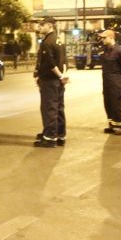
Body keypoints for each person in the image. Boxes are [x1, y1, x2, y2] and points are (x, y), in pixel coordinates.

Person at [33, 16, 68, 148]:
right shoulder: (59, 40)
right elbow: (64, 61)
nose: (40, 27)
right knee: (59, 108)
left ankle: (49, 138)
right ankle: (60, 135)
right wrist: (63, 76)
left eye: (42, 25)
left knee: (49, 109)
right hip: (58, 81)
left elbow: (50, 63)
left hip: (49, 80)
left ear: (50, 26)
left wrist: (59, 76)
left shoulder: (47, 42)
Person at [99, 29, 121, 135]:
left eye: (104, 38)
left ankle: (119, 126)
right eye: (101, 38)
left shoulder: (120, 51)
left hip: (117, 84)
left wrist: (119, 78)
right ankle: (112, 125)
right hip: (107, 83)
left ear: (111, 38)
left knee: (116, 105)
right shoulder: (104, 50)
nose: (102, 39)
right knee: (108, 104)